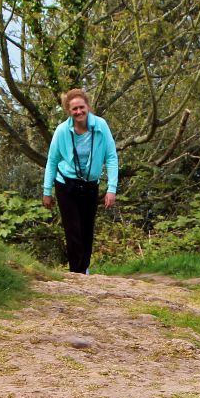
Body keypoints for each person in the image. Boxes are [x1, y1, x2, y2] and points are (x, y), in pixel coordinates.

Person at [42, 88, 119, 274]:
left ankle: (84, 268)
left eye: (81, 107)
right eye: (74, 109)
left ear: (88, 107)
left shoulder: (101, 126)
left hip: (90, 185)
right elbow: (52, 160)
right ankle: (75, 272)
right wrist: (46, 191)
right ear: (69, 111)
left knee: (86, 229)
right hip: (66, 184)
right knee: (73, 230)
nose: (78, 112)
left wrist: (112, 188)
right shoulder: (62, 131)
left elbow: (111, 157)